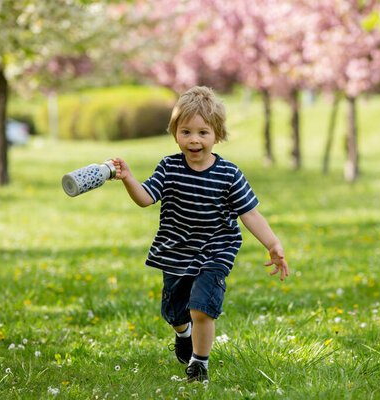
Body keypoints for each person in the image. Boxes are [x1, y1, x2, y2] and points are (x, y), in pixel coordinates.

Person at [111, 86, 289, 383]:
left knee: (201, 307)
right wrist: (128, 178)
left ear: (217, 136)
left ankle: (199, 365)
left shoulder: (229, 174)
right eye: (186, 132)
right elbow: (145, 198)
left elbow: (250, 213)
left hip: (216, 251)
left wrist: (273, 243)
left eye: (203, 132)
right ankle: (183, 334)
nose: (194, 139)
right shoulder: (169, 168)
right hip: (176, 251)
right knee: (175, 312)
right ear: (175, 133)